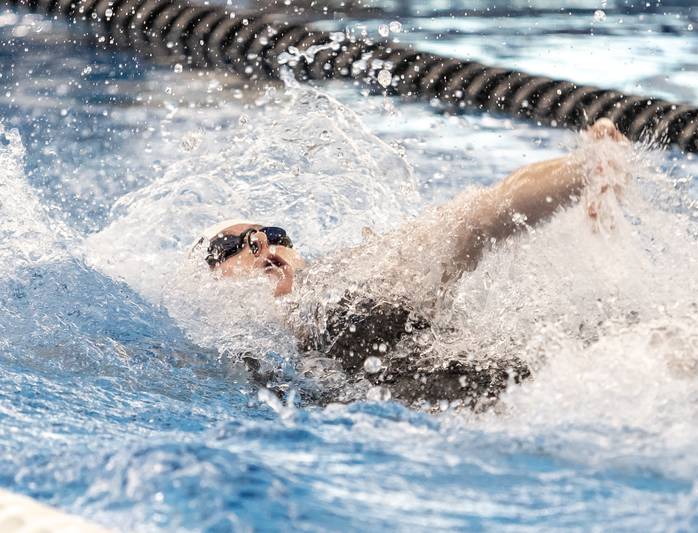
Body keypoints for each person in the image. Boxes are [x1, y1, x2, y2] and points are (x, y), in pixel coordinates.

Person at [193, 119, 629, 410]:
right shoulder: (227, 327)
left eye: (274, 234)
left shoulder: (335, 272)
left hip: (360, 306)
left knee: (464, 223)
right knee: (537, 375)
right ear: (214, 276)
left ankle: (589, 169)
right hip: (414, 387)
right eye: (239, 243)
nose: (265, 245)